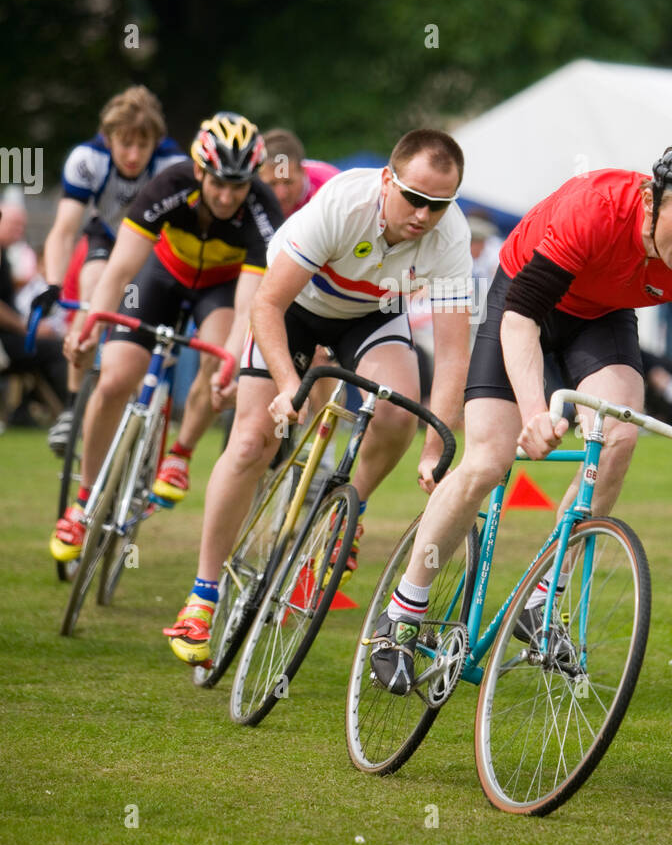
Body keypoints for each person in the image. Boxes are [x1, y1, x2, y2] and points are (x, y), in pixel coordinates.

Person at [369, 141, 672, 695]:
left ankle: (543, 599)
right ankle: (402, 612)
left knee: (618, 432)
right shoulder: (595, 209)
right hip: (523, 304)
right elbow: (521, 320)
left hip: (601, 318)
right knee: (489, 460)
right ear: (651, 200)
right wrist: (536, 414)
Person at [164, 129, 473, 665]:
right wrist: (289, 386)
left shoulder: (451, 239)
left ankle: (344, 517)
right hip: (294, 307)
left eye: (439, 205)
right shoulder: (343, 203)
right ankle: (203, 596)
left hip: (370, 314)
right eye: (414, 198)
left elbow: (452, 357)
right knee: (252, 442)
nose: (424, 215)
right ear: (387, 181)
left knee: (400, 412)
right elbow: (266, 304)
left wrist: (434, 447)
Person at [50, 113, 282, 564]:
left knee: (217, 358)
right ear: (199, 170)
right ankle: (84, 500)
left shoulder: (263, 210)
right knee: (116, 379)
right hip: (159, 277)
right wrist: (91, 322)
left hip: (219, 289)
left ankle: (179, 453)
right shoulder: (168, 185)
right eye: (218, 183)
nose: (227, 196)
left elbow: (247, 309)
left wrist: (232, 362)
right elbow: (118, 270)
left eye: (239, 185)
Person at [33, 87, 185, 454]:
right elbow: (65, 230)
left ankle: (141, 409)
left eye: (142, 146)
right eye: (125, 143)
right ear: (108, 137)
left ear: (157, 144)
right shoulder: (88, 159)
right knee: (91, 290)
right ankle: (72, 407)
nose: (133, 155)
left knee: (144, 316)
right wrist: (53, 283)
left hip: (156, 243)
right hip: (109, 233)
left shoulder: (172, 165)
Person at [0, 204, 67, 422]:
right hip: (6, 341)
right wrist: (29, 328)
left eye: (22, 225)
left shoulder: (5, 256)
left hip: (11, 336)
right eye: (14, 224)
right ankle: (70, 413)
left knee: (54, 345)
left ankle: (27, 408)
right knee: (56, 349)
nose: (20, 230)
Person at [257, 129, 339, 218]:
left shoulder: (332, 187)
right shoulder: (246, 189)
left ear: (303, 171)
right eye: (272, 184)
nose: (281, 195)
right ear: (258, 176)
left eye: (288, 182)